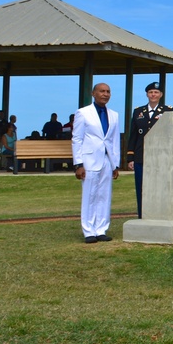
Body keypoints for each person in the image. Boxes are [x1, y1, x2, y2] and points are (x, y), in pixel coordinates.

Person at [72, 83, 121, 243]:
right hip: (89, 160)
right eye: (102, 91)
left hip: (107, 161)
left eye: (108, 91)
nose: (105, 94)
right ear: (94, 93)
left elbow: (114, 141)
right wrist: (78, 164)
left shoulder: (114, 115)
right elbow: (77, 139)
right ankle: (88, 231)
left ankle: (101, 229)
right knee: (90, 195)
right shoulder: (83, 113)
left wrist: (115, 164)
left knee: (104, 196)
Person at [125, 81, 173, 219]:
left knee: (159, 186)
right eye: (151, 92)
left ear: (161, 95)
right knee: (141, 187)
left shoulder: (167, 111)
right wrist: (130, 157)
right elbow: (133, 136)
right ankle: (142, 215)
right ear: (147, 94)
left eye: (156, 92)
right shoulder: (138, 112)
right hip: (141, 155)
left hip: (160, 156)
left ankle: (159, 214)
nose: (153, 95)